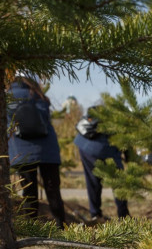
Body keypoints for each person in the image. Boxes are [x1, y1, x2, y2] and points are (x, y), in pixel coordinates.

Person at [8, 76, 65, 228]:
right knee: (53, 190)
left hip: (22, 152)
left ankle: (32, 228)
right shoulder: (38, 95)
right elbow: (45, 117)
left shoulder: (6, 96)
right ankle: (62, 227)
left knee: (28, 193)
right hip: (48, 150)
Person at [74, 105, 130, 221]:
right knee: (118, 181)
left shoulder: (107, 111)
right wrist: (129, 158)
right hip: (103, 149)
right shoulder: (123, 120)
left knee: (93, 181)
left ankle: (95, 215)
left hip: (84, 145)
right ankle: (123, 216)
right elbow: (126, 143)